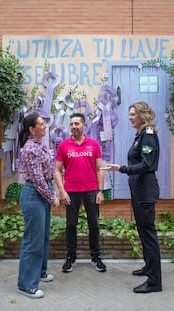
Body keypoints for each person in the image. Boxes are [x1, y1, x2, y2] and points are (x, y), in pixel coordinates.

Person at [102, 101, 162, 294]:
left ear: (143, 115)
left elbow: (147, 164)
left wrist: (122, 168)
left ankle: (154, 282)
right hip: (139, 191)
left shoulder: (149, 135)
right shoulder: (140, 135)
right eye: (129, 114)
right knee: (144, 233)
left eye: (133, 114)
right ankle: (149, 267)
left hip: (145, 191)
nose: (129, 117)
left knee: (148, 235)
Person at [55, 112, 107, 273]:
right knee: (71, 225)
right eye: (71, 124)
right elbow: (57, 170)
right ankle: (70, 258)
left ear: (84, 126)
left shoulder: (94, 145)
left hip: (91, 191)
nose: (73, 126)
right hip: (71, 192)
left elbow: (100, 169)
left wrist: (100, 191)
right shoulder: (63, 145)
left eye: (77, 123)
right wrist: (62, 191)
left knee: (94, 224)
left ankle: (96, 257)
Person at [17, 112, 60, 299]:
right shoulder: (30, 149)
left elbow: (48, 173)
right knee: (33, 240)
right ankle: (26, 284)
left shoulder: (40, 146)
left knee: (42, 237)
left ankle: (40, 272)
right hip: (34, 195)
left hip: (41, 194)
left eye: (44, 124)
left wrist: (53, 192)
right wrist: (52, 196)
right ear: (31, 129)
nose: (45, 126)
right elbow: (37, 179)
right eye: (41, 124)